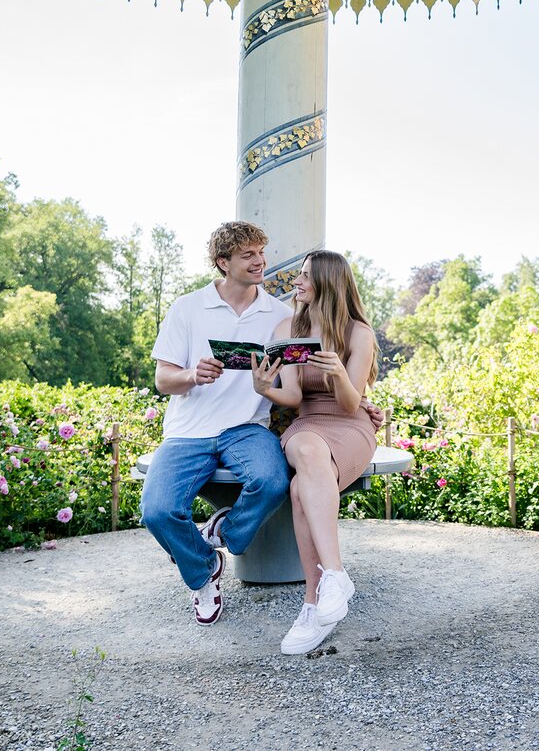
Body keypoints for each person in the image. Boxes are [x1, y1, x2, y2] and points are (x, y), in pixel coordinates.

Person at [141, 223, 380, 627]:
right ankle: (204, 573)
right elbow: (163, 380)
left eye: (261, 253)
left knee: (271, 482)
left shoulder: (283, 317)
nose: (260, 262)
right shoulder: (187, 308)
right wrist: (191, 375)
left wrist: (361, 405)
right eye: (248, 255)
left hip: (246, 429)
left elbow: (315, 377)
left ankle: (228, 534)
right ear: (223, 263)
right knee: (157, 511)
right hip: (188, 431)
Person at [250, 250, 378, 654]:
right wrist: (263, 388)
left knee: (298, 490)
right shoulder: (289, 327)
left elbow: (348, 403)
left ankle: (313, 603)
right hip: (308, 422)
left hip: (350, 424)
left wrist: (339, 373)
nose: (297, 282)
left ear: (327, 281)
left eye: (305, 275)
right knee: (306, 448)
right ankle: (335, 578)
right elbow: (291, 396)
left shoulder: (358, 334)